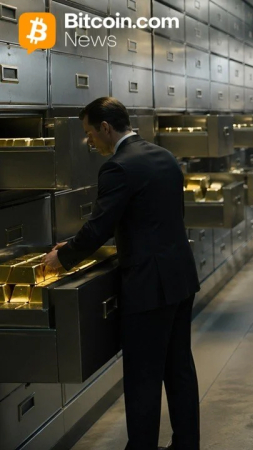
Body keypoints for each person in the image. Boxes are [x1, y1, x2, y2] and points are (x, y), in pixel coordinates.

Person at [43, 97, 201, 450]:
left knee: (143, 376)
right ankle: (187, 444)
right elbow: (157, 216)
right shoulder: (164, 156)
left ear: (105, 127)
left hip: (149, 284)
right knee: (179, 368)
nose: (89, 142)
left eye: (90, 134)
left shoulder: (117, 167)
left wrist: (62, 257)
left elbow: (99, 228)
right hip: (180, 276)